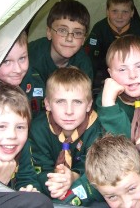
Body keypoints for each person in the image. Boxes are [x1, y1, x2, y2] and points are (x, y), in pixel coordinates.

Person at [29, 67, 104, 206]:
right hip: (50, 186)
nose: (69, 111)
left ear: (88, 105)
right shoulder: (38, 129)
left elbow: (99, 169)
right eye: (60, 102)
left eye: (77, 102)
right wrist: (55, 183)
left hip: (85, 186)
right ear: (47, 104)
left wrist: (74, 176)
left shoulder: (97, 129)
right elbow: (38, 169)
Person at [0, 82, 53, 208]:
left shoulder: (19, 145)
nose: (12, 135)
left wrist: (28, 191)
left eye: (20, 127)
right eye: (1, 126)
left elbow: (27, 177)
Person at [84, 0, 140, 91]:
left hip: (129, 69)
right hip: (104, 69)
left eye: (125, 12)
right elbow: (89, 56)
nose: (120, 16)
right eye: (115, 11)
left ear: (132, 13)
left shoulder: (137, 29)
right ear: (107, 12)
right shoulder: (99, 28)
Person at [27, 0, 93, 90]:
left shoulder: (83, 65)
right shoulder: (30, 57)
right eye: (62, 30)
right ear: (49, 32)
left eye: (77, 33)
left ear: (83, 40)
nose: (69, 38)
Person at [0, 30, 46, 118]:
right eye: (6, 61)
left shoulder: (34, 80)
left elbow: (41, 115)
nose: (18, 69)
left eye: (22, 58)